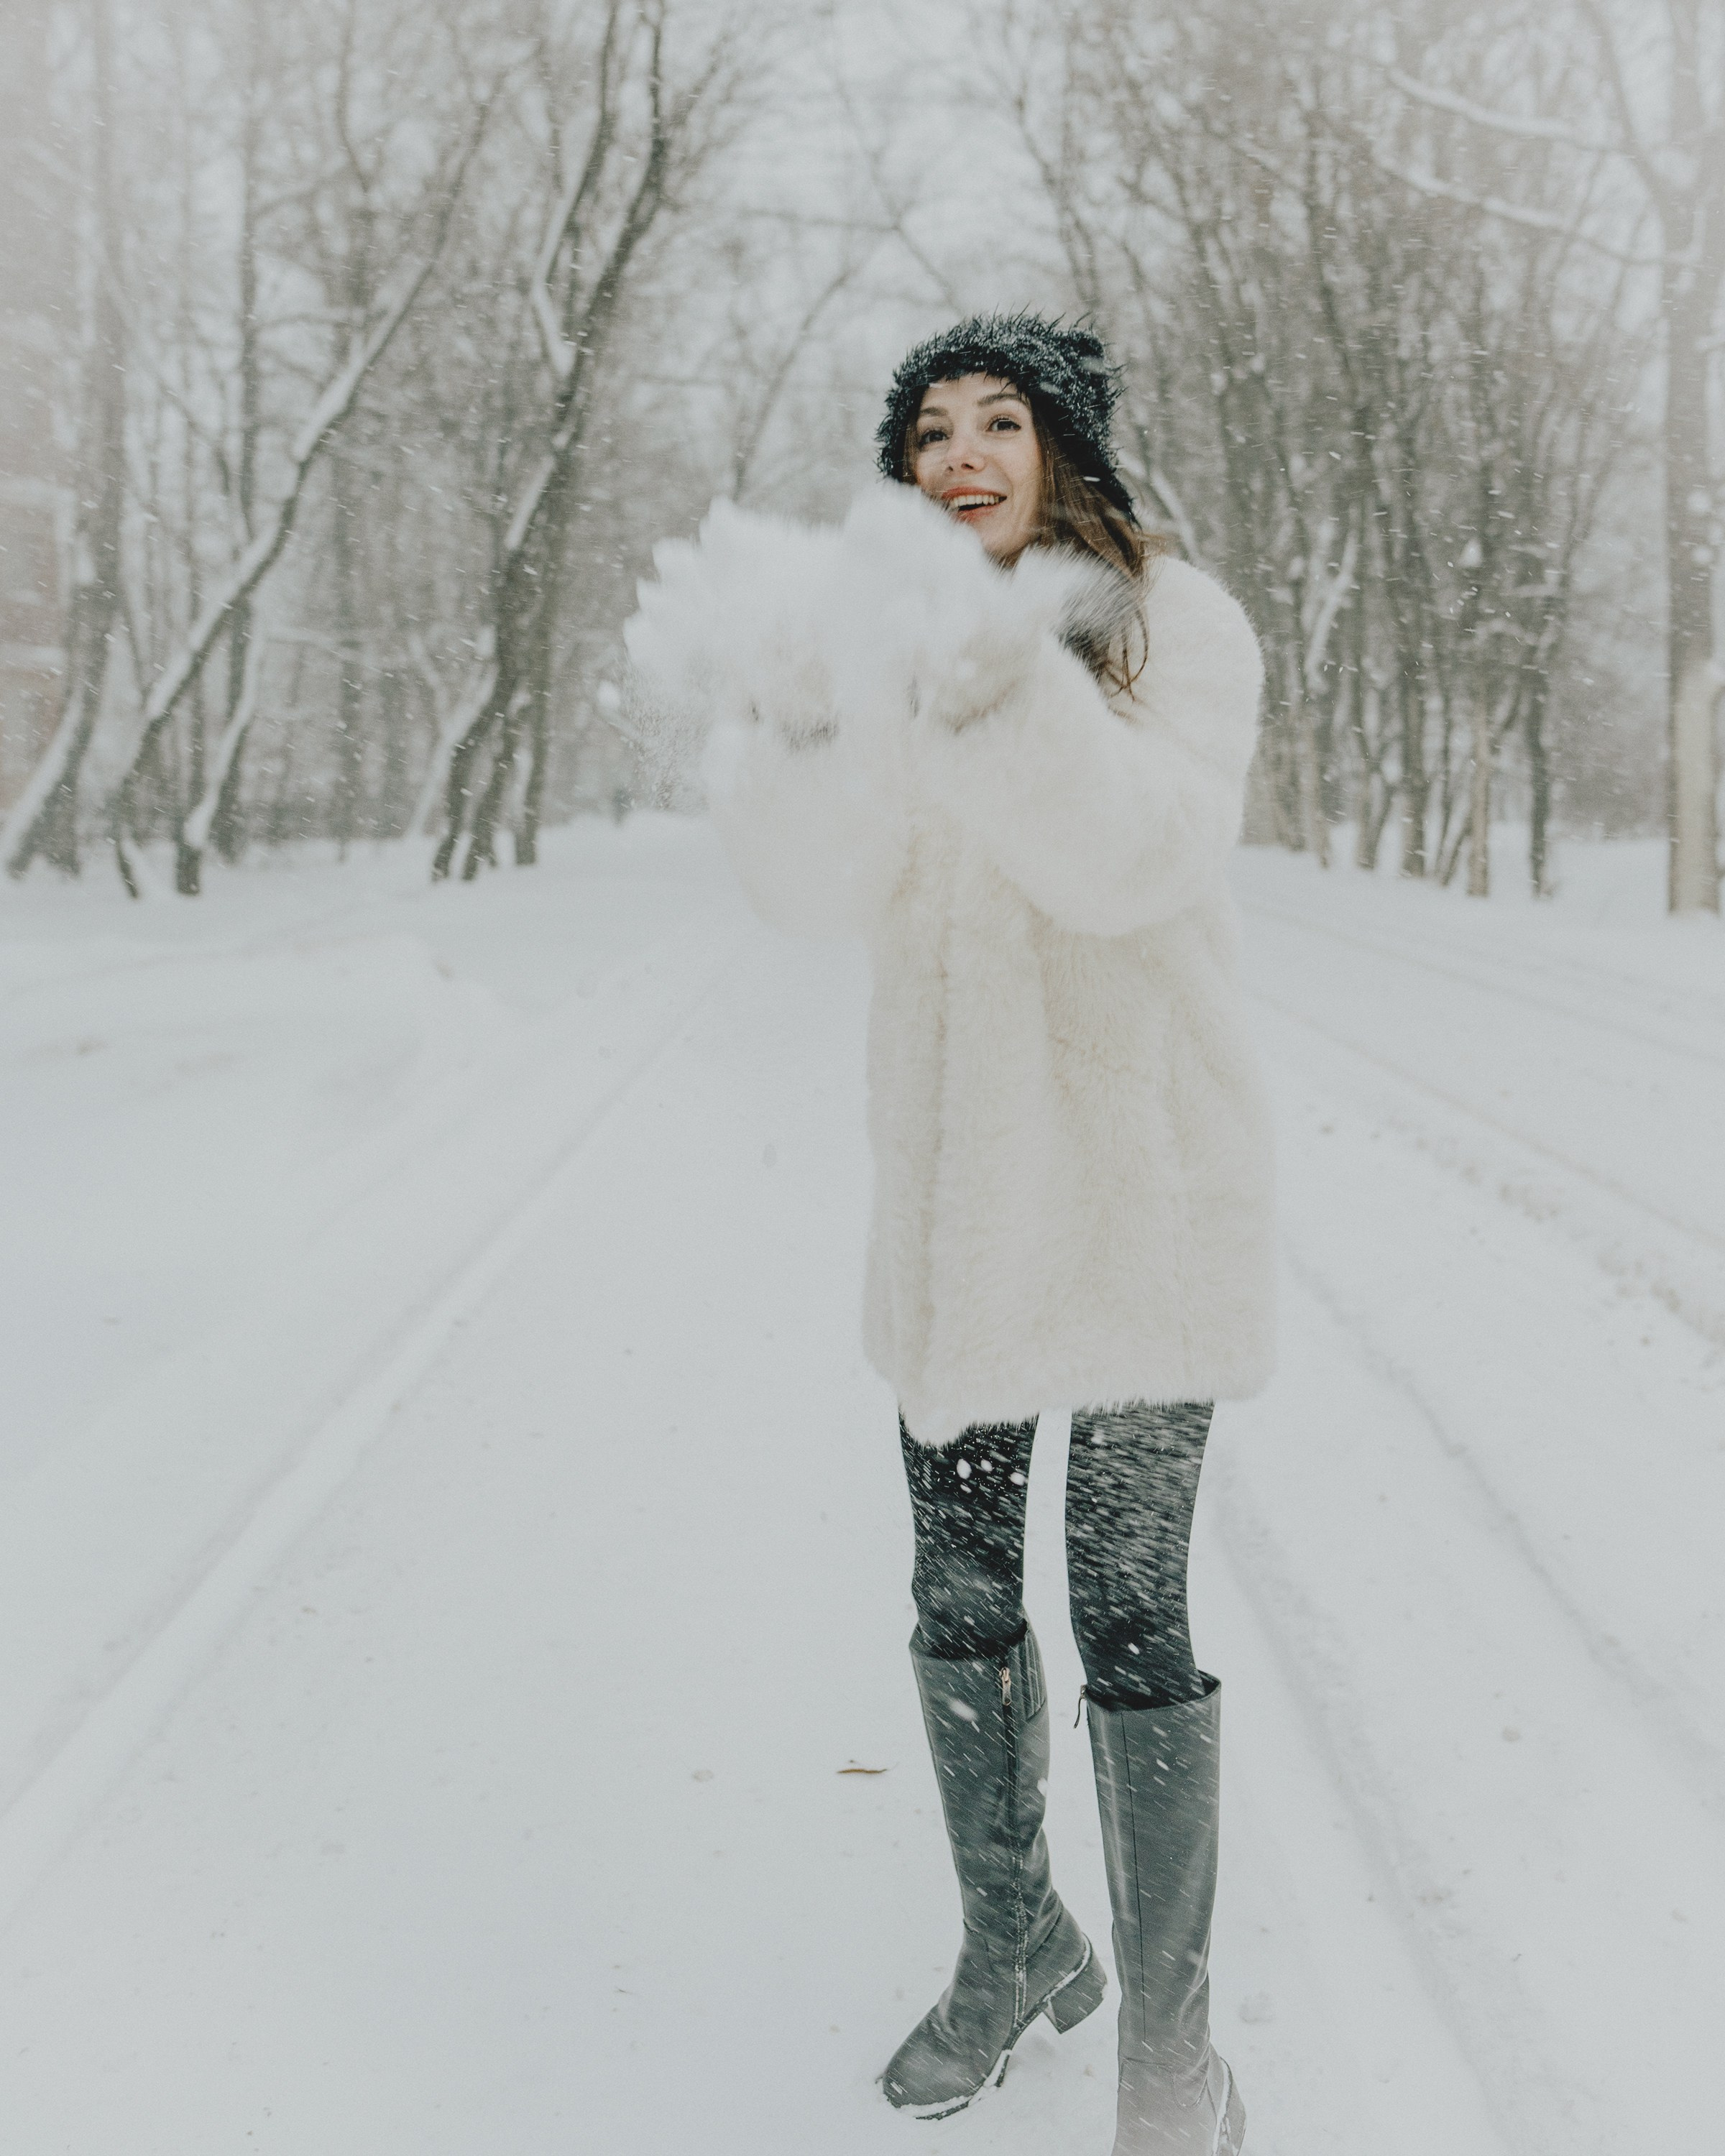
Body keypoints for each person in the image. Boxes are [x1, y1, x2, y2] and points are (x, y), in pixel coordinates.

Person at [630, 313, 1273, 2155]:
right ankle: (1011, 1949)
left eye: (1005, 420)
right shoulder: (886, 642)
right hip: (963, 1205)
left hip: (1147, 1193)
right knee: (960, 1600)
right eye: (932, 429)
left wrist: (994, 678)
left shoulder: (1174, 622)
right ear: (904, 474)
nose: (966, 450)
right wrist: (810, 705)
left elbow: (1137, 857)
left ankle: (1170, 2048)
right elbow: (809, 890)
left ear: (1063, 450)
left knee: (1128, 1612)